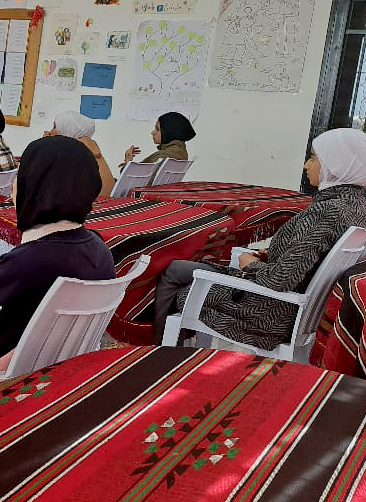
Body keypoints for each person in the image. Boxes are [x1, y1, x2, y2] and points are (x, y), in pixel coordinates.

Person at [153, 128, 366, 349]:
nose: (306, 165)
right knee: (176, 269)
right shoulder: (356, 206)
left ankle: (160, 351)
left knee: (174, 282)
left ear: (336, 164)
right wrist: (274, 255)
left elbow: (280, 279)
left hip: (267, 313)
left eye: (313, 158)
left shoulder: (326, 212)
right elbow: (310, 257)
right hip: (287, 306)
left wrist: (251, 265)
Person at [0, 136, 115, 371]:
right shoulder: (98, 247)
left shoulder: (27, 262)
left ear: (36, 187)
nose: (13, 185)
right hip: (62, 371)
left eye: (21, 175)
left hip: (4, 379)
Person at [45, 111, 116, 196]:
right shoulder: (89, 143)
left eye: (55, 127)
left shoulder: (75, 148)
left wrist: (45, 145)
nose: (50, 131)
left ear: (69, 128)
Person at [123, 111, 195, 166]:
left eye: (157, 129)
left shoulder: (162, 157)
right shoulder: (181, 153)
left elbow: (133, 178)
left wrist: (127, 161)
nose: (153, 132)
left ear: (168, 132)